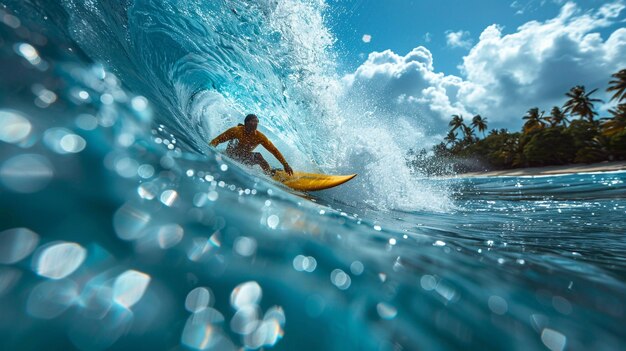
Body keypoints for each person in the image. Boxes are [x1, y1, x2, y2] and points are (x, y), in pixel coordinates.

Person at [210, 114, 293, 176]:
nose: (256, 123)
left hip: (244, 158)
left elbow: (274, 150)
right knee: (235, 142)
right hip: (230, 155)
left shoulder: (260, 137)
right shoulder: (236, 131)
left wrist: (285, 164)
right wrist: (210, 151)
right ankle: (270, 172)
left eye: (257, 122)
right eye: (253, 121)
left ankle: (269, 173)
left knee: (258, 156)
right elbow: (217, 140)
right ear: (246, 123)